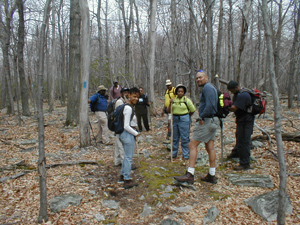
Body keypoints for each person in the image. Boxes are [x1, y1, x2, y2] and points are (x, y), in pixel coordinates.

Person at [174, 70, 220, 184]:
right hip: (213, 120)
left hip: (207, 121)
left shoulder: (207, 88)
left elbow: (211, 105)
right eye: (197, 78)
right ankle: (212, 175)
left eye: (200, 77)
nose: (198, 79)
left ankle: (190, 174)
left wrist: (201, 117)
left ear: (206, 77)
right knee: (210, 147)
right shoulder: (211, 87)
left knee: (192, 145)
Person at [226, 80, 254, 170]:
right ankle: (236, 153)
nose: (231, 92)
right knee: (239, 136)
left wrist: (225, 106)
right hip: (241, 120)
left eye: (231, 90)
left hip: (246, 121)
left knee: (244, 140)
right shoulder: (238, 94)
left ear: (236, 88)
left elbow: (234, 108)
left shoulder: (243, 95)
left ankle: (245, 163)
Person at [118, 87, 141, 189]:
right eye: (134, 96)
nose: (136, 99)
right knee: (128, 157)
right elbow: (126, 125)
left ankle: (123, 175)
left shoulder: (130, 107)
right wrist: (136, 133)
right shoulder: (128, 108)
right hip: (127, 134)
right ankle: (127, 179)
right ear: (129, 96)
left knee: (127, 156)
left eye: (137, 97)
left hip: (127, 134)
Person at [167, 84, 196, 159]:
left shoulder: (186, 100)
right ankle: (173, 154)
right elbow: (168, 111)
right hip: (175, 118)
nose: (180, 93)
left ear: (184, 92)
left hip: (184, 119)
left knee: (185, 137)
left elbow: (193, 110)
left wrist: (187, 116)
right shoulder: (173, 100)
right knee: (175, 137)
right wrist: (170, 103)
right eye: (179, 91)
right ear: (176, 92)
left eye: (182, 92)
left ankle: (186, 155)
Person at [114, 87, 129, 166]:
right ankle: (124, 163)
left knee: (117, 144)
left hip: (120, 125)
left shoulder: (124, 101)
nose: (126, 94)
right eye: (125, 92)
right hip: (119, 125)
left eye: (127, 92)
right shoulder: (120, 102)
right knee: (121, 145)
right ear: (122, 93)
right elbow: (121, 114)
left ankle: (117, 161)